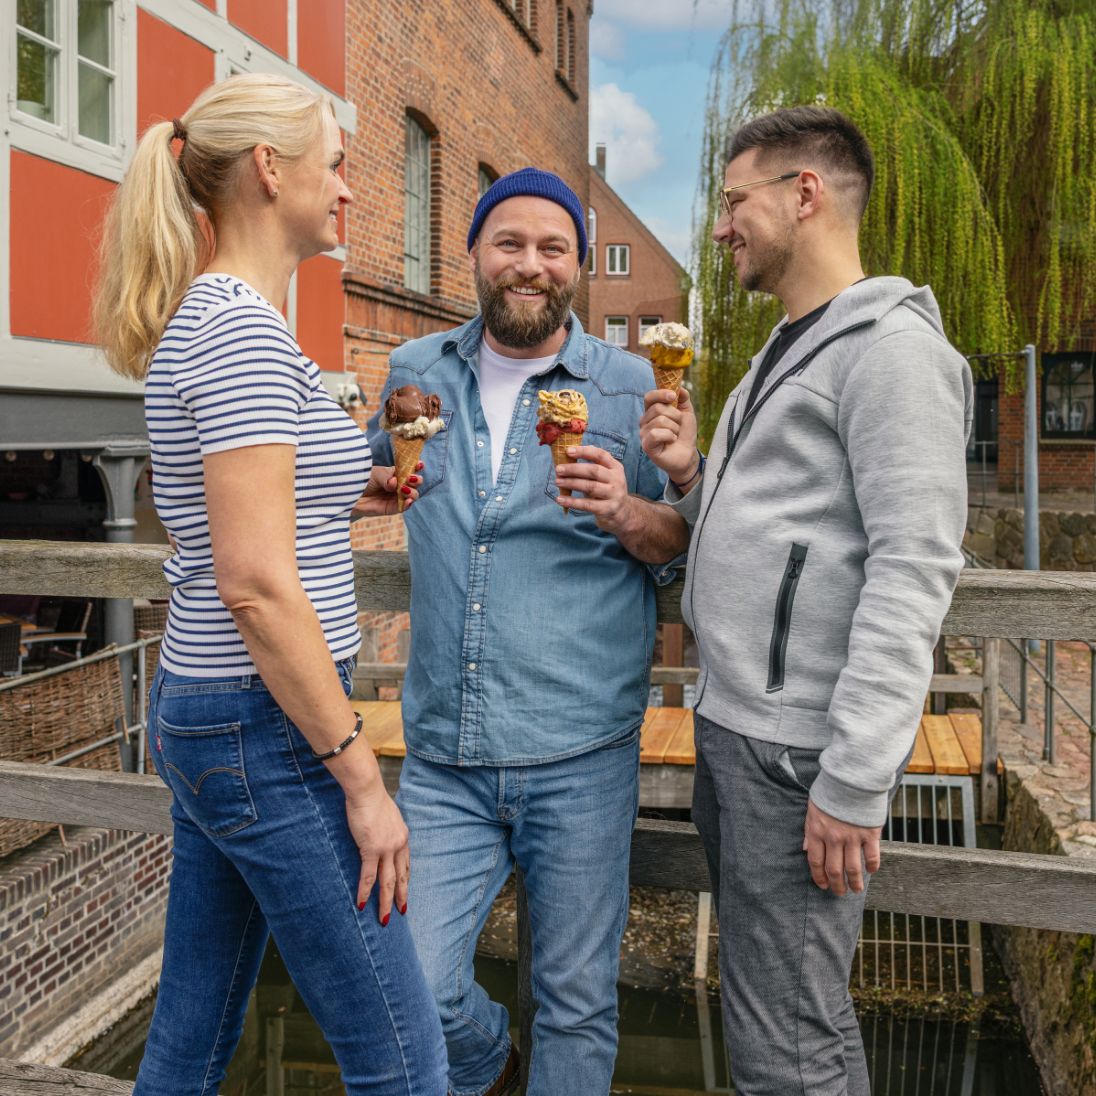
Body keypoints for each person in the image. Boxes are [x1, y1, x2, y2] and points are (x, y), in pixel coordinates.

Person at [93, 74, 447, 1096]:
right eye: (334, 163)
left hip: (221, 715)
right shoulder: (243, 332)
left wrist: (355, 486)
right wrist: (361, 779)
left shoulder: (220, 321)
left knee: (193, 1037)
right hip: (267, 725)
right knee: (403, 1062)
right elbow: (253, 583)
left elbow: (247, 522)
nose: (347, 190)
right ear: (269, 169)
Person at [640, 106, 972, 1095]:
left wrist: (853, 778)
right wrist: (693, 472)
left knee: (789, 1038)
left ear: (805, 193)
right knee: (764, 1014)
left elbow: (912, 567)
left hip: (797, 755)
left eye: (733, 199)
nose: (719, 226)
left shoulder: (892, 354)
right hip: (739, 731)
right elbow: (778, 530)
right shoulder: (788, 346)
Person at [367, 167, 690, 1096]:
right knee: (412, 987)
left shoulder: (632, 389)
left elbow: (677, 548)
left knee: (579, 1001)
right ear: (474, 252)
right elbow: (355, 481)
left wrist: (629, 509)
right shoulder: (416, 373)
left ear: (578, 269)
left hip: (582, 749)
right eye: (509, 243)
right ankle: (490, 1061)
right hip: (443, 755)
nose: (530, 265)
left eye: (554, 249)